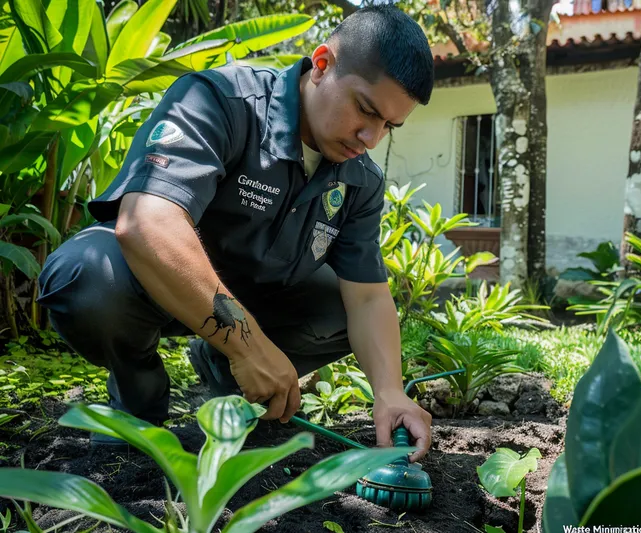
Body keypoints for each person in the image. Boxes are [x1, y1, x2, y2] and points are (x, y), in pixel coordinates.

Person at [36, 5, 435, 462]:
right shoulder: (221, 100)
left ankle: (228, 384)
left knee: (340, 308)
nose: (371, 137)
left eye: (389, 126)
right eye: (365, 109)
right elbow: (148, 221)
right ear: (322, 65)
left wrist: (390, 392)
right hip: (150, 284)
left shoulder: (359, 179)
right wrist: (249, 345)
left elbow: (366, 296)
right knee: (85, 279)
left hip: (256, 294)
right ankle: (137, 394)